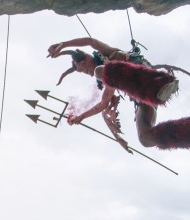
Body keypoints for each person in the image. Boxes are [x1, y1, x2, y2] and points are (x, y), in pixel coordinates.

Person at [47, 37, 190, 150]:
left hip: (147, 78)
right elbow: (103, 104)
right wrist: (81, 117)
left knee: (99, 71)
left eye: (83, 69)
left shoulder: (108, 54)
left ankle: (161, 84)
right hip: (144, 99)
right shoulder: (108, 78)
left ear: (85, 59)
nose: (87, 73)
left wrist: (63, 45)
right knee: (145, 139)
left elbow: (90, 41)